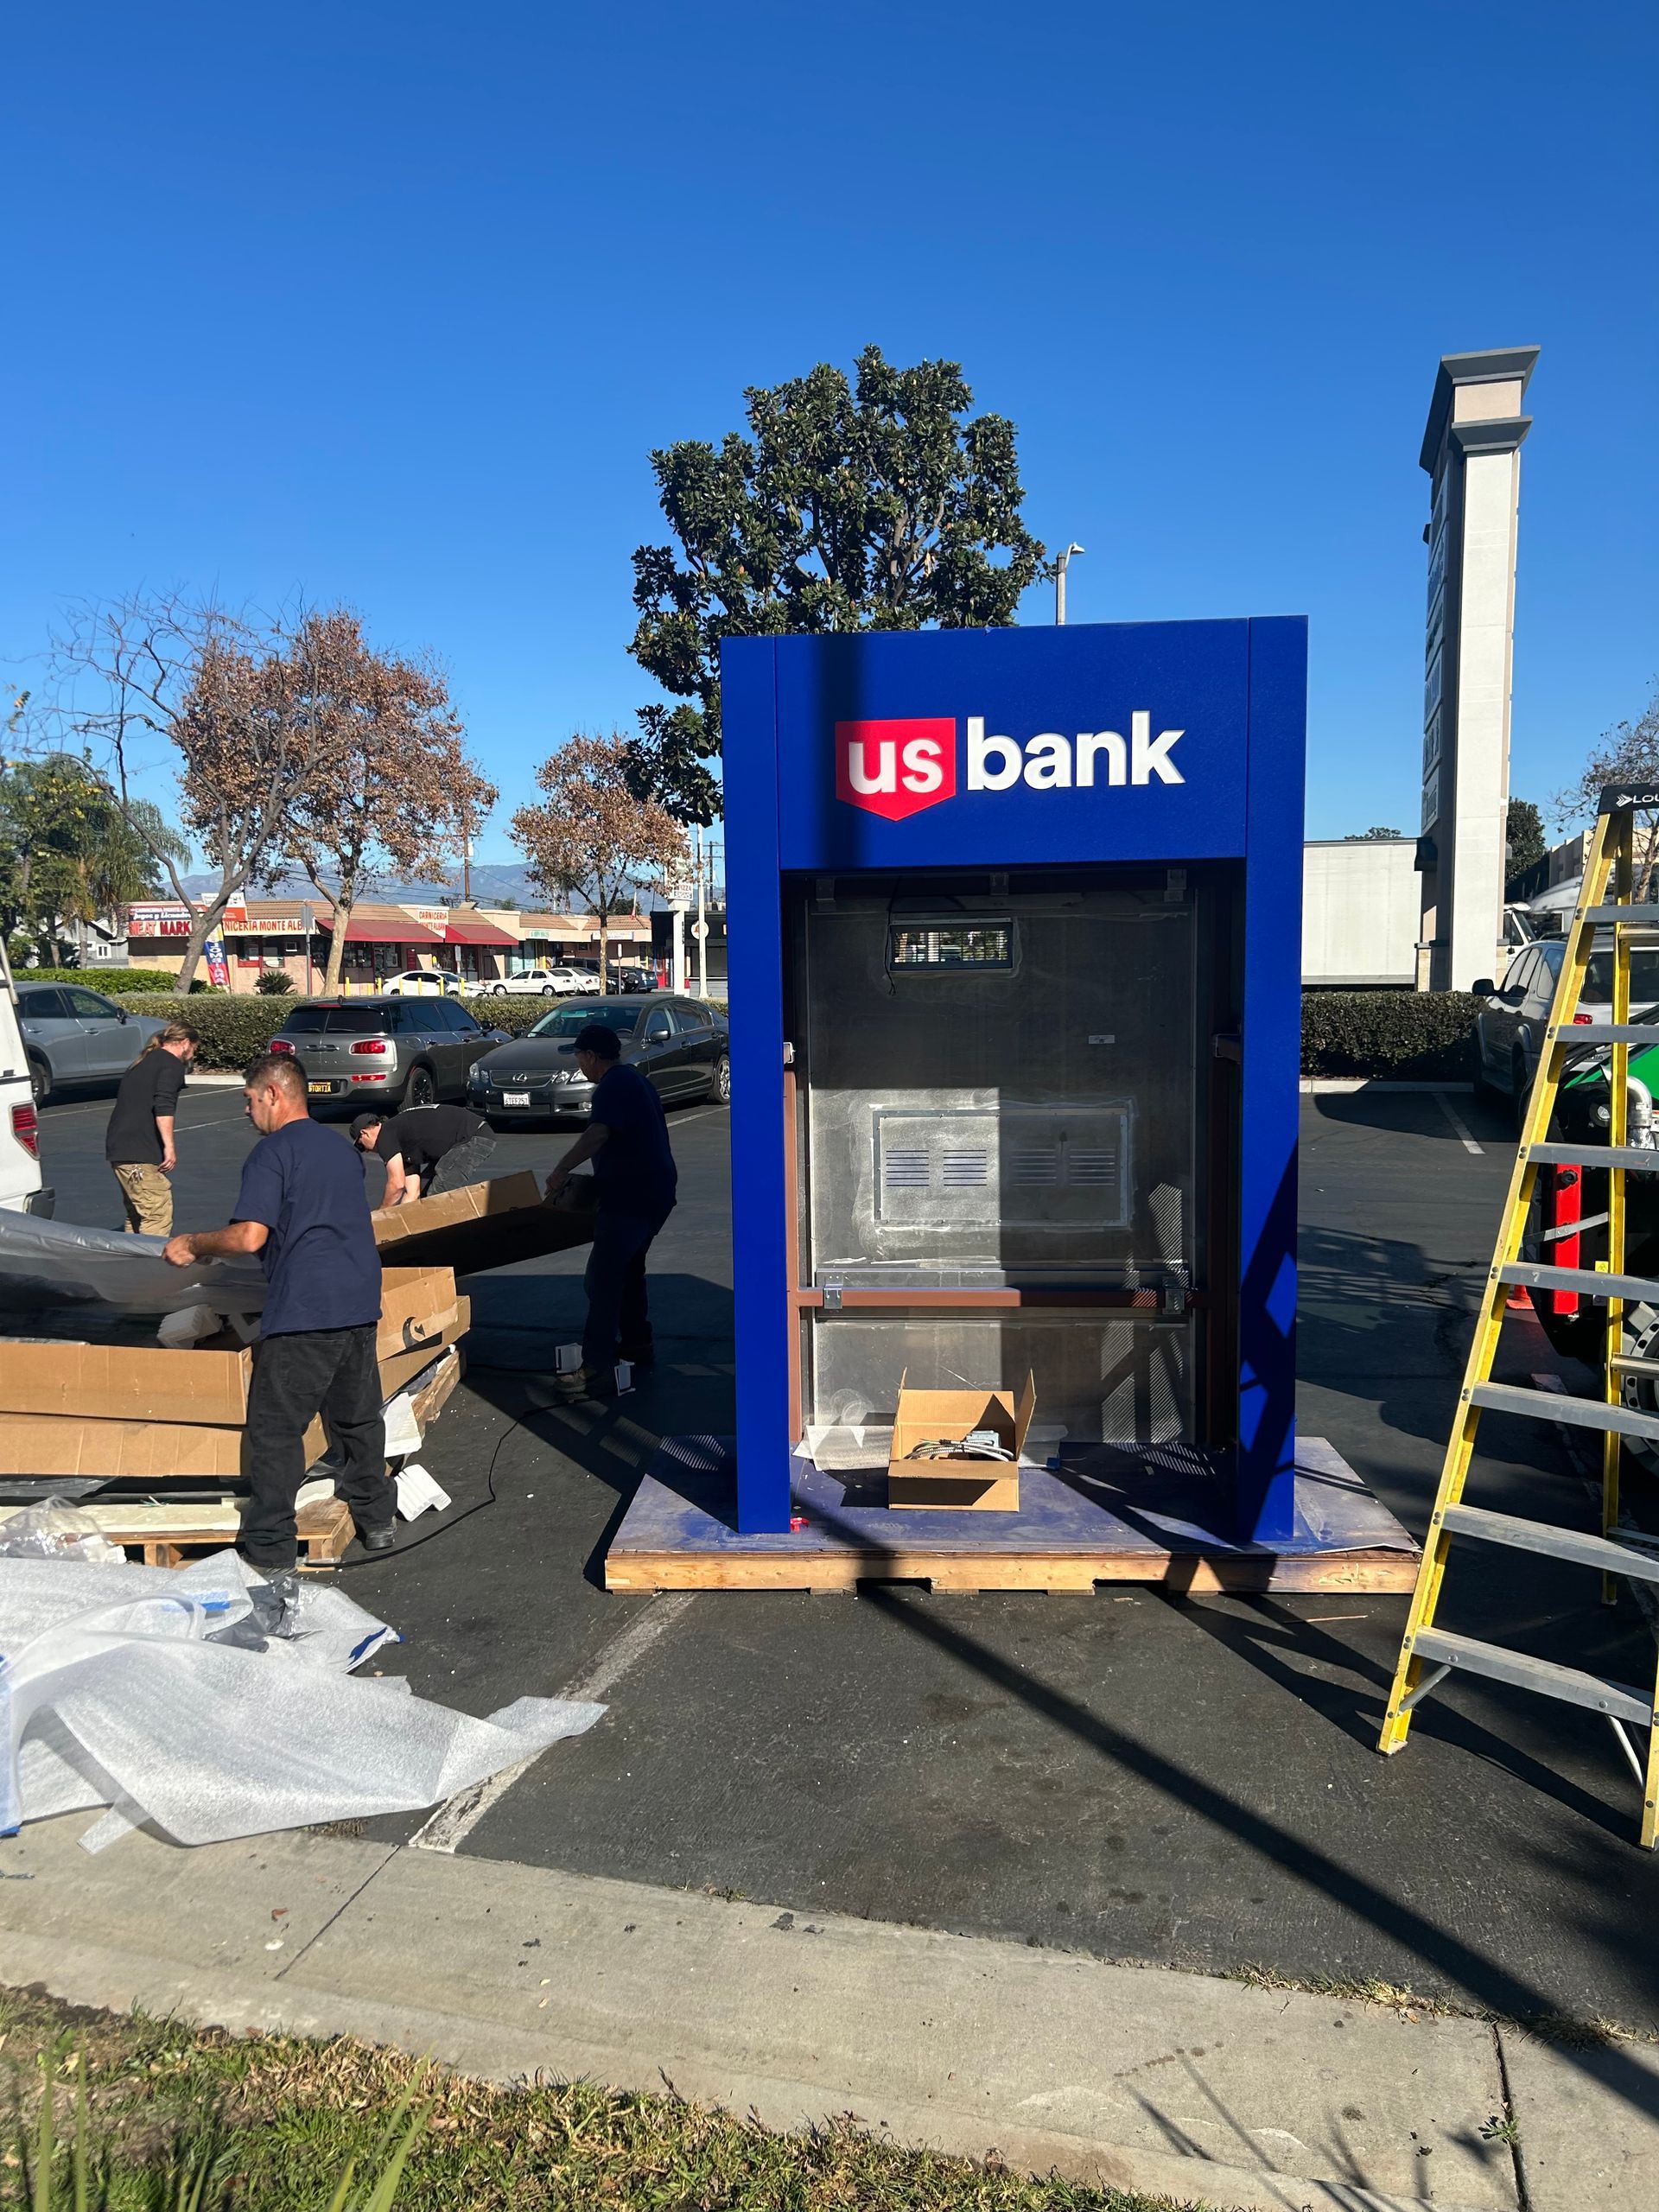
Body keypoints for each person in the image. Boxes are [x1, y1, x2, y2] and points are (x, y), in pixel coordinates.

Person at [164, 1053, 394, 1592]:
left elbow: (249, 1237)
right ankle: (376, 1519)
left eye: (248, 1101)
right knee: (357, 1417)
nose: (247, 1112)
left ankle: (270, 1547)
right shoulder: (340, 1149)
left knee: (275, 1430)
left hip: (306, 1308)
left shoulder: (272, 1153)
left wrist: (194, 1245)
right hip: (358, 1298)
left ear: (272, 1093)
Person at [543, 1021, 677, 1399]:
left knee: (601, 1280)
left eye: (579, 1057)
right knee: (629, 1270)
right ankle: (637, 1344)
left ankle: (594, 1363)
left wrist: (562, 1168)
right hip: (655, 1193)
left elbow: (598, 1133)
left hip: (630, 1198)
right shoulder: (635, 1080)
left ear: (590, 1057)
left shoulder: (613, 1087)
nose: (579, 1064)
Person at [105, 1021, 200, 1236]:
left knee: (138, 1214)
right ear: (185, 1043)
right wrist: (169, 1146)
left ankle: (133, 1262)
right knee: (157, 1213)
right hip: (139, 1151)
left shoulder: (145, 1061)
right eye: (194, 1049)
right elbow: (164, 1106)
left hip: (120, 1148)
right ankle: (151, 1265)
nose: (192, 1055)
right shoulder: (171, 1065)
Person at [351, 1103, 495, 1205]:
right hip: (463, 1139)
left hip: (473, 1136)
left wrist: (381, 1216)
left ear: (365, 1133)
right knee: (424, 1196)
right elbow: (412, 1193)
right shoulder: (400, 1140)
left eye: (361, 1146)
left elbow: (396, 1184)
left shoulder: (385, 1135)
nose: (368, 1151)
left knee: (436, 1197)